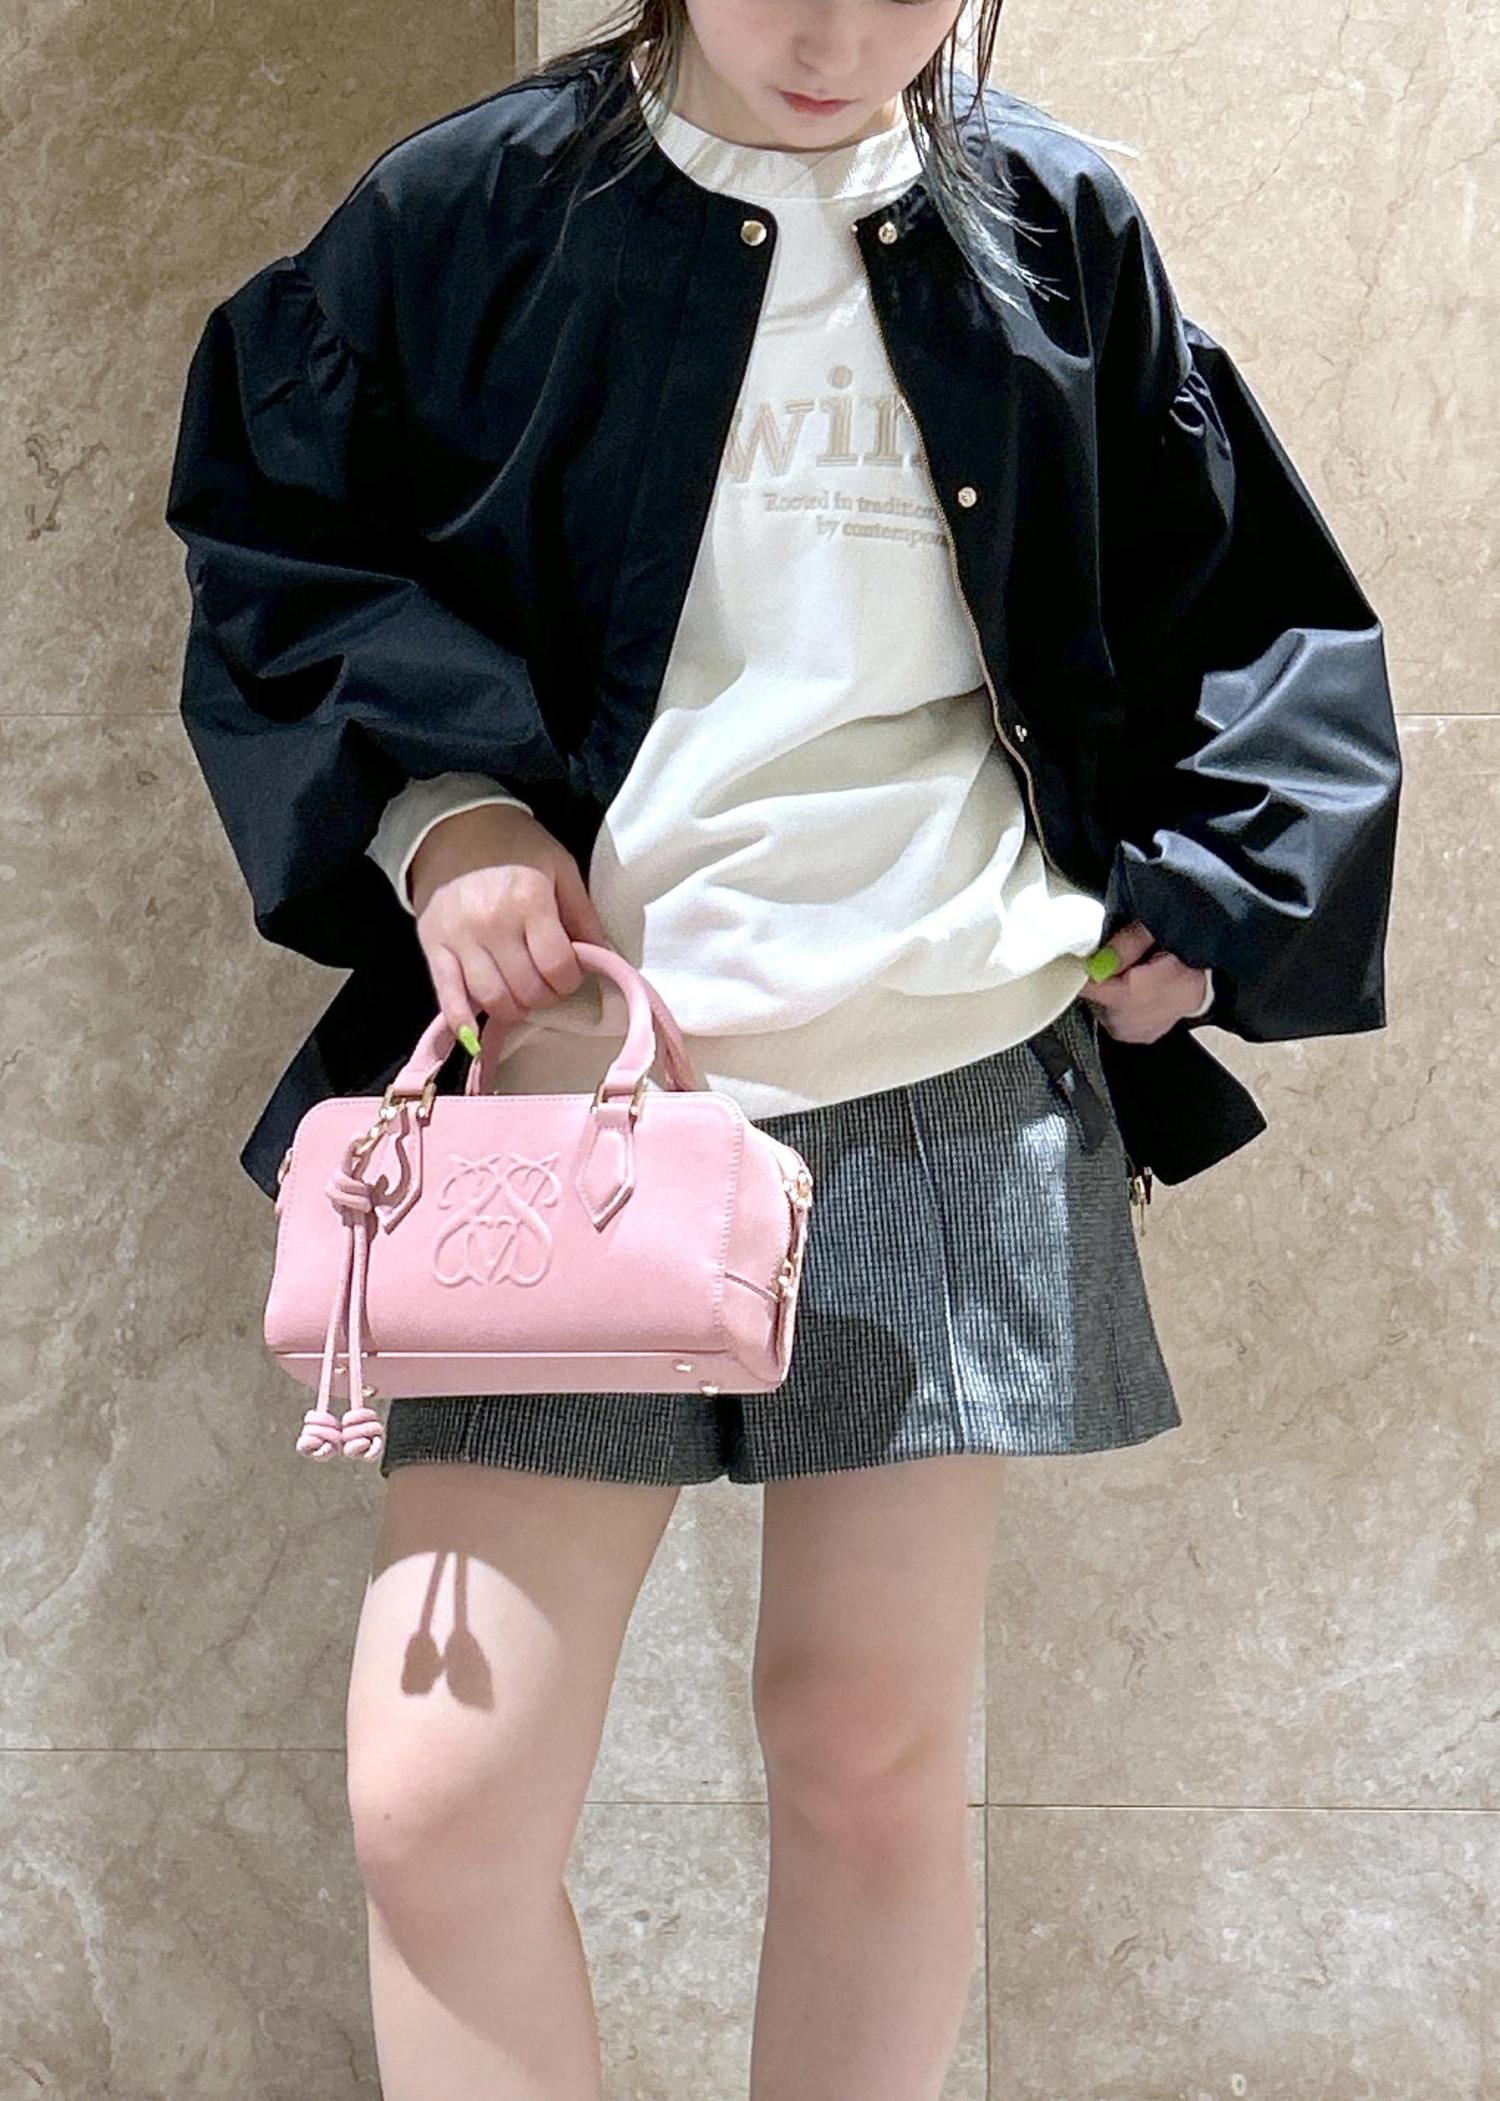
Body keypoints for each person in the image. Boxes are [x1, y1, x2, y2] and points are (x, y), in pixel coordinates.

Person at [162, 1, 1400, 2093]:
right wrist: (449, 812)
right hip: (572, 1094)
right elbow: (284, 529)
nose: (835, 31)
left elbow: (1239, 604)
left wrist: (1204, 899)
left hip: (953, 1070)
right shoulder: (476, 208)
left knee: (865, 1755)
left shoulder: (1052, 222)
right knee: (439, 1806)